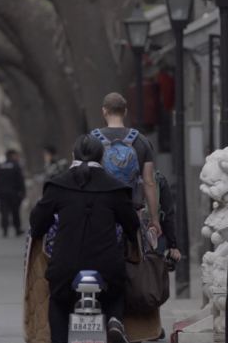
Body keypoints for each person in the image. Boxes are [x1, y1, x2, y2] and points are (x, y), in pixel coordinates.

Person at [30, 135, 140, 343]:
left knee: (59, 302)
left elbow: (37, 224)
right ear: (102, 157)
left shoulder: (57, 185)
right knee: (116, 292)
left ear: (73, 156)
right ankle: (115, 320)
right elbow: (132, 226)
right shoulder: (116, 188)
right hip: (107, 267)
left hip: (65, 266)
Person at [92, 92, 163, 237]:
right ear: (125, 112)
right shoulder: (142, 141)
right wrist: (154, 219)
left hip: (100, 212)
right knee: (137, 254)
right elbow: (149, 182)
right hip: (132, 213)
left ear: (104, 111)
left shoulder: (92, 140)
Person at [0, 149, 26, 237]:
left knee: (4, 211)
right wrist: (23, 191)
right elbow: (20, 180)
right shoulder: (16, 166)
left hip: (2, 193)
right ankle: (17, 229)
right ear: (12, 155)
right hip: (14, 192)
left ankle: (5, 230)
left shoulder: (0, 166)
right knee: (15, 211)